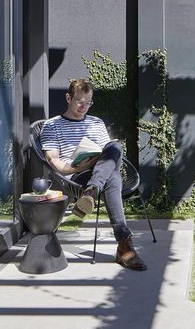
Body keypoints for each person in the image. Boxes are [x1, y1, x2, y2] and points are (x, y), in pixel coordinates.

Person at [40, 78, 146, 271]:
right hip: (74, 177)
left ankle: (92, 191)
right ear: (68, 98)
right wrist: (77, 168)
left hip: (98, 173)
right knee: (113, 177)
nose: (84, 107)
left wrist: (97, 161)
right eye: (80, 101)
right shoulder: (52, 125)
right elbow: (54, 162)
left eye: (88, 103)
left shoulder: (96, 123)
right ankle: (124, 245)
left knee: (114, 147)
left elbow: (110, 154)